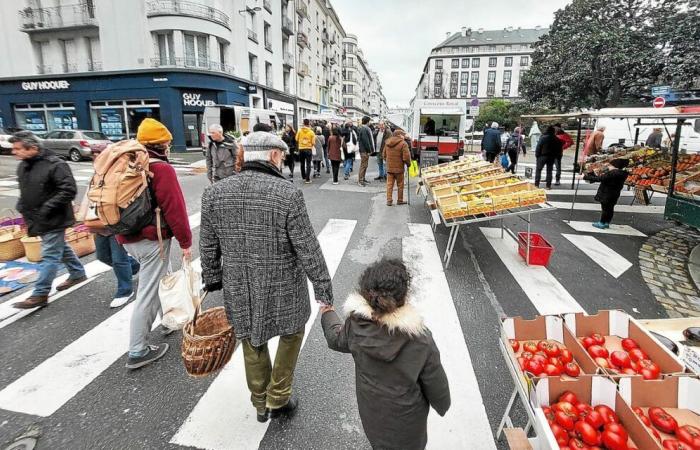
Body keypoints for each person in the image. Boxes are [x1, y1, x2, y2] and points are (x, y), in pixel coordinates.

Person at [199, 131, 333, 423]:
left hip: (239, 283)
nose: (283, 159)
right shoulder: (287, 193)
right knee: (292, 331)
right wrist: (323, 288)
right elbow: (307, 247)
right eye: (282, 155)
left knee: (250, 336)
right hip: (283, 282)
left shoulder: (214, 193)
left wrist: (212, 276)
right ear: (273, 155)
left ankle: (260, 401)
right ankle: (279, 395)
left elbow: (208, 244)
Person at [320, 259, 451, 450]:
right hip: (409, 426)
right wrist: (442, 405)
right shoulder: (420, 340)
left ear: (367, 295)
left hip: (372, 417)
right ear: (403, 297)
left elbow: (335, 338)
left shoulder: (356, 326)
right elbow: (436, 385)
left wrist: (328, 313)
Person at [117, 118, 192, 370]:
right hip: (152, 239)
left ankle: (169, 321)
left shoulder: (125, 162)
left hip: (127, 237)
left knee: (161, 278)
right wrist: (186, 242)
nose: (169, 147)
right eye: (167, 143)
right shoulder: (160, 168)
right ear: (159, 144)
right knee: (148, 293)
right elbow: (175, 209)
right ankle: (137, 350)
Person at [10, 131, 87, 309]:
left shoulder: (55, 164)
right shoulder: (24, 165)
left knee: (50, 255)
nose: (14, 152)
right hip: (36, 218)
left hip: (54, 218)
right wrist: (22, 207)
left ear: (33, 148)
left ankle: (40, 293)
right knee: (60, 247)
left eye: (18, 148)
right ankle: (77, 272)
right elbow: (26, 191)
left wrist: (46, 208)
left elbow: (68, 190)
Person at [583, 159, 630, 229]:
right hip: (615, 194)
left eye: (610, 165)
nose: (609, 167)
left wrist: (585, 177)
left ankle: (602, 222)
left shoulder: (612, 173)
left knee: (605, 208)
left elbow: (600, 178)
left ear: (615, 166)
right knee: (610, 208)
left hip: (607, 193)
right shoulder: (622, 173)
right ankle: (607, 222)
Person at [383, 130, 411, 206]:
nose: (404, 136)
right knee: (400, 185)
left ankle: (389, 200)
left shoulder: (387, 142)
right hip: (399, 168)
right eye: (403, 135)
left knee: (389, 185)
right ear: (399, 135)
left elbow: (384, 155)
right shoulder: (403, 143)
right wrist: (408, 164)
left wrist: (389, 162)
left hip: (390, 168)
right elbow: (406, 157)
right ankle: (400, 200)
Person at [296, 118, 316, 184]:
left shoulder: (299, 131)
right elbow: (313, 142)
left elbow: (296, 139)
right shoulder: (311, 132)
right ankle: (307, 179)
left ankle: (303, 176)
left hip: (301, 148)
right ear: (309, 124)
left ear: (303, 123)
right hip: (308, 148)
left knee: (302, 163)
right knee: (308, 164)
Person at [357, 116, 374, 187]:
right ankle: (360, 180)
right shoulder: (364, 129)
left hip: (364, 150)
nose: (370, 122)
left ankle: (363, 179)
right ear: (367, 121)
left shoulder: (364, 128)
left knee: (365, 165)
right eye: (369, 121)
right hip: (364, 150)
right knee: (363, 166)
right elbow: (366, 141)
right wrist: (369, 150)